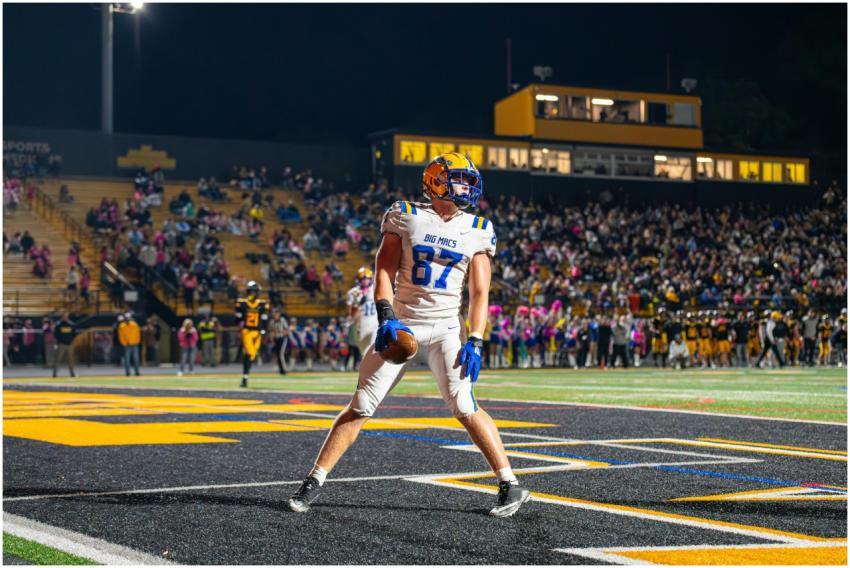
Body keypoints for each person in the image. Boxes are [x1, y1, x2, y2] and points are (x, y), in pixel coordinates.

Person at [288, 152, 531, 518]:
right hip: (403, 324)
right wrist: (386, 316)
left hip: (448, 329)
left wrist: (476, 338)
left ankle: (510, 484)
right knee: (361, 405)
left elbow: (480, 292)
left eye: (468, 181)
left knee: (465, 405)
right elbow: (383, 271)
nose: (466, 187)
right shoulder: (405, 214)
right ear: (436, 180)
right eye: (458, 179)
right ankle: (314, 480)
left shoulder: (479, 227)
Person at [236, 280, 268, 387]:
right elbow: (237, 319)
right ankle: (245, 377)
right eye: (251, 291)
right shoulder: (242, 303)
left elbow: (264, 319)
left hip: (257, 332)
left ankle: (245, 377)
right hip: (247, 331)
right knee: (250, 353)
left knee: (252, 355)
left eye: (254, 292)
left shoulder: (262, 304)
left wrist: (264, 329)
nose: (253, 294)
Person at [345, 267, 378, 369]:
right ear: (358, 279)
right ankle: (364, 367)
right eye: (362, 278)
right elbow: (350, 313)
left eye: (367, 278)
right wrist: (358, 305)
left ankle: (374, 368)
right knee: (364, 351)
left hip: (374, 323)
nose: (365, 280)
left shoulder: (376, 289)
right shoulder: (353, 292)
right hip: (360, 325)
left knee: (374, 348)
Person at [53, 312, 77, 378]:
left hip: (70, 345)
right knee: (58, 359)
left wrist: (71, 341)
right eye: (64, 316)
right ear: (62, 317)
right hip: (61, 344)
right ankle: (54, 373)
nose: (65, 317)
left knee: (70, 359)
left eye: (66, 316)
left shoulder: (71, 324)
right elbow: (56, 334)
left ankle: (72, 373)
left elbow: (74, 334)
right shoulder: (58, 324)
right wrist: (60, 341)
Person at [118, 312, 142, 376]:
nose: (127, 319)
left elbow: (138, 334)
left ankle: (137, 372)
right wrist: (124, 343)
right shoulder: (122, 326)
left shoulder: (134, 325)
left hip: (135, 344)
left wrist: (137, 341)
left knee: (136, 359)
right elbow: (121, 336)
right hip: (127, 345)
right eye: (126, 318)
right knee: (127, 359)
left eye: (128, 318)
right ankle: (128, 372)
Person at [269, 310, 289, 375]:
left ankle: (284, 369)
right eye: (274, 314)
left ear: (279, 314)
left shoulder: (283, 320)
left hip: (282, 338)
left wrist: (280, 331)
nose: (274, 315)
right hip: (276, 339)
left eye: (276, 314)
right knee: (277, 354)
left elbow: (287, 332)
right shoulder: (272, 321)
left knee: (281, 354)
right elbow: (271, 332)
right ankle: (281, 369)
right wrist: (272, 340)